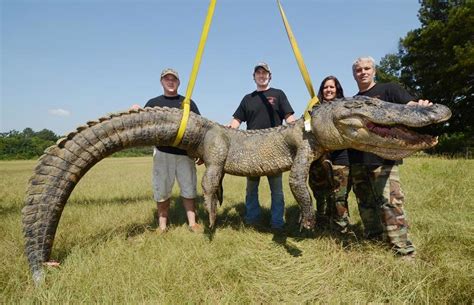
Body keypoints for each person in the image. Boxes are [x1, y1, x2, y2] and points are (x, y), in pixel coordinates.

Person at [350, 56, 432, 257]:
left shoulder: (389, 90)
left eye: (367, 68)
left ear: (374, 71)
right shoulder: (353, 101)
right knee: (365, 204)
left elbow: (409, 105)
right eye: (359, 70)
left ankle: (404, 251)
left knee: (391, 203)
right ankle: (374, 241)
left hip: (384, 160)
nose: (363, 72)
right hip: (358, 160)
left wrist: (419, 105)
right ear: (354, 74)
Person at [228, 62, 296, 231]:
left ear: (269, 76)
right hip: (252, 151)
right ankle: (252, 219)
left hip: (275, 149)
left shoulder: (278, 94)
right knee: (251, 188)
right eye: (258, 73)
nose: (262, 75)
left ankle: (277, 223)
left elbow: (289, 118)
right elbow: (236, 121)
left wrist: (298, 131)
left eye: (264, 73)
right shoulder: (247, 99)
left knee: (277, 190)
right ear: (254, 77)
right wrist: (227, 132)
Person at [143, 68, 203, 234]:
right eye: (167, 79)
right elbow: (142, 124)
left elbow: (199, 128)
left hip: (185, 154)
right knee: (162, 190)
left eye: (173, 79)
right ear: (161, 81)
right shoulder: (152, 103)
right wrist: (135, 110)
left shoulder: (188, 103)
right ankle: (162, 226)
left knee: (189, 189)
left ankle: (192, 223)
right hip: (163, 153)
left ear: (179, 82)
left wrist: (200, 152)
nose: (170, 81)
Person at [308, 76, 351, 233]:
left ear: (337, 89)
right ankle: (321, 225)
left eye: (332, 87)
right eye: (325, 87)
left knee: (339, 195)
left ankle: (341, 229)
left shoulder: (345, 107)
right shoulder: (314, 108)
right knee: (319, 193)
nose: (329, 90)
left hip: (340, 157)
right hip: (318, 158)